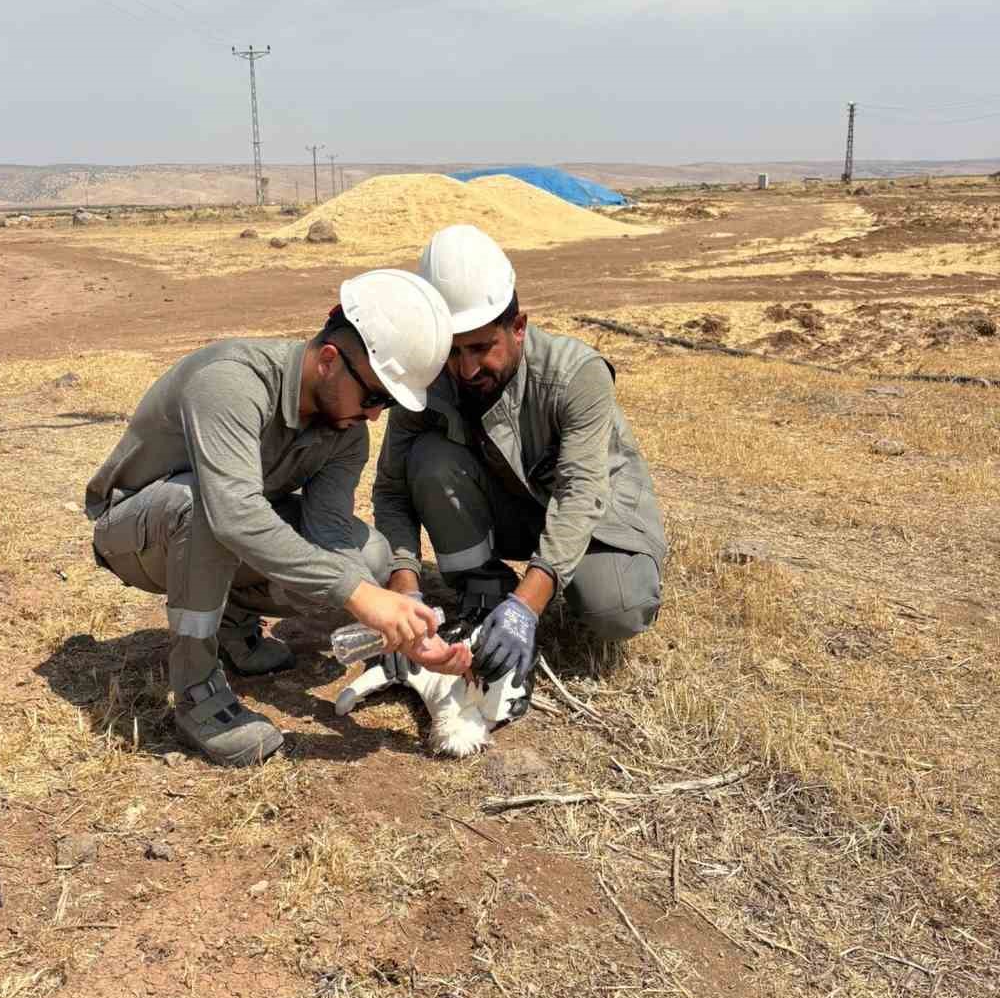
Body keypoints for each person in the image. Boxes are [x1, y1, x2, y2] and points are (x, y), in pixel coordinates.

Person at [86, 269, 453, 768]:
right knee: (208, 506)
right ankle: (195, 690)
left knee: (369, 555)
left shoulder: (344, 432)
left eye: (386, 404)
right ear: (329, 361)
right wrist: (361, 596)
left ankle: (233, 623)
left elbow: (328, 536)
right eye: (373, 397)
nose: (374, 417)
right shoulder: (231, 381)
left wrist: (402, 627)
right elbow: (234, 514)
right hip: (134, 531)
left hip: (216, 530)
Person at [373, 225, 666, 697]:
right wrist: (403, 591)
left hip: (596, 515)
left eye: (481, 348)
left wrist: (526, 606)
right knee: (428, 457)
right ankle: (482, 583)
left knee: (616, 609)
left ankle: (543, 587)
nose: (465, 369)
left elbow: (580, 493)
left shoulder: (576, 375)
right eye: (451, 350)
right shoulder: (428, 383)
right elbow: (391, 491)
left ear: (518, 327)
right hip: (509, 503)